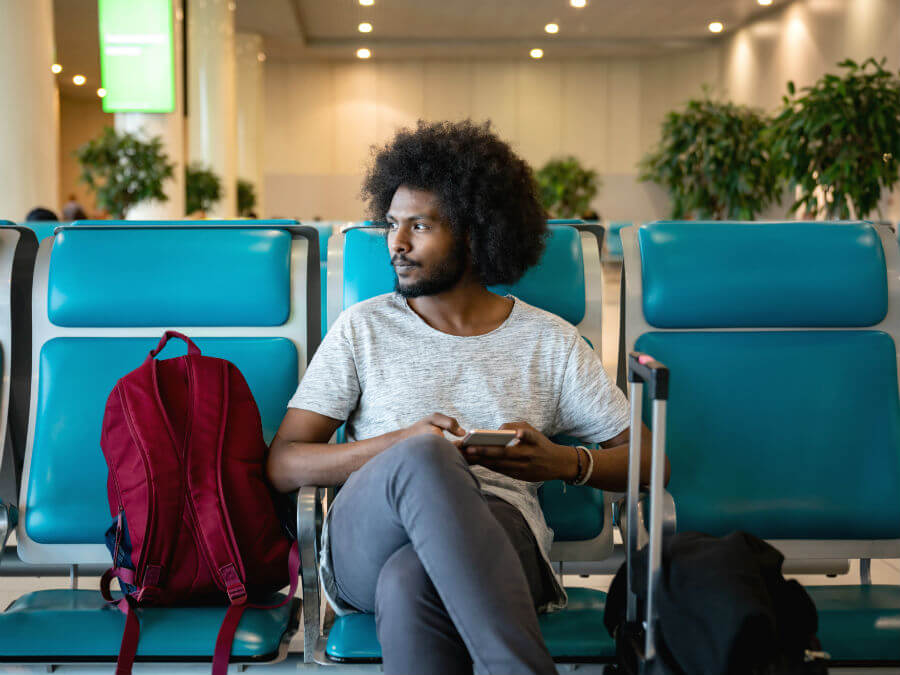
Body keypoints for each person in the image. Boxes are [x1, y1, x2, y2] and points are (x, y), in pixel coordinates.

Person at [268, 120, 666, 675]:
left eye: (420, 226)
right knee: (423, 457)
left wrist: (562, 462)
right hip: (369, 534)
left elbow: (650, 459)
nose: (396, 244)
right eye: (392, 224)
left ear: (477, 233)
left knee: (412, 582)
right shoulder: (363, 329)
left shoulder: (548, 340)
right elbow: (285, 463)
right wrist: (402, 446)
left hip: (503, 531)